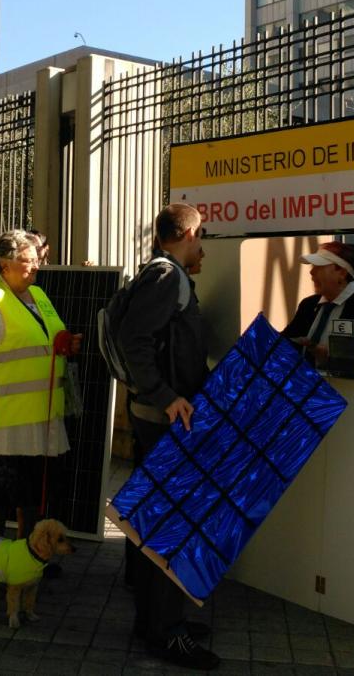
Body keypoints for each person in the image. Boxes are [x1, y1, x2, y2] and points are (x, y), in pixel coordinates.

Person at [115, 203, 218, 670]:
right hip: (165, 420)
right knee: (170, 525)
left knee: (157, 521)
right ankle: (166, 632)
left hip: (159, 416)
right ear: (189, 231)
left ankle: (155, 623)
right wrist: (166, 395)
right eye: (201, 235)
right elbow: (136, 339)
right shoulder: (166, 276)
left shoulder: (161, 273)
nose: (203, 244)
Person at [0, 229, 81, 540]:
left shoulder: (39, 295)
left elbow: (44, 338)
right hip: (9, 422)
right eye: (28, 261)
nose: (36, 266)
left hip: (44, 416)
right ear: (5, 264)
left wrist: (67, 344)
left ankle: (31, 554)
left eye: (36, 259)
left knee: (34, 496)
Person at [281, 240, 354, 367]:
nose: (311, 272)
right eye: (312, 267)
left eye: (319, 267)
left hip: (351, 386)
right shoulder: (308, 305)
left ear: (342, 273)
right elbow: (285, 342)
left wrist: (335, 359)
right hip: (305, 384)